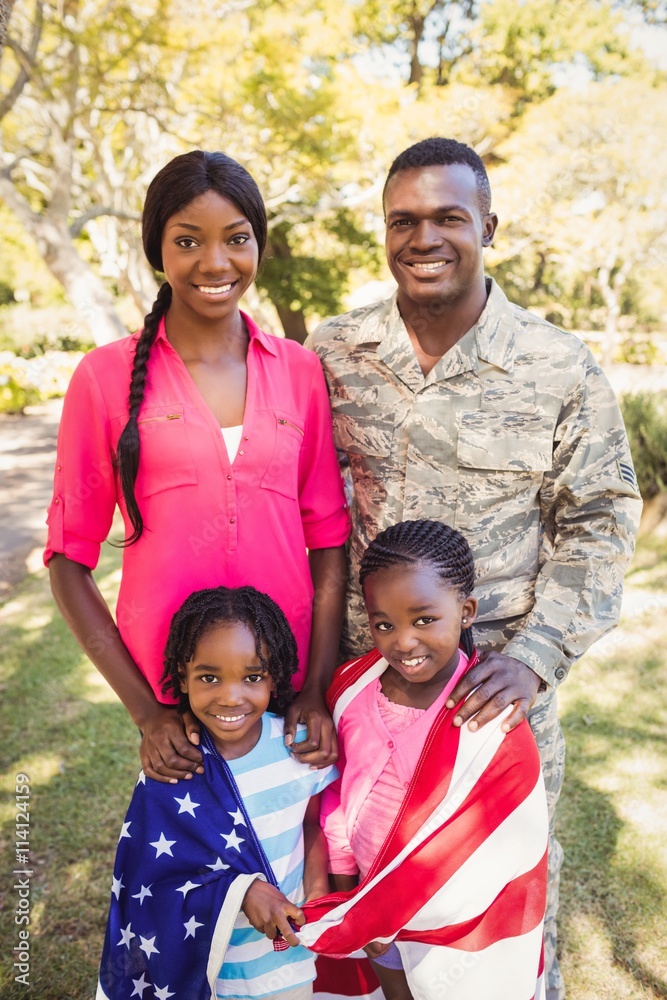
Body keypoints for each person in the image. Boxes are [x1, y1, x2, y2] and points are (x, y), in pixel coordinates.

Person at [306, 137, 643, 1000]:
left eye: (448, 218)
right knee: (360, 915)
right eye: (403, 221)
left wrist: (533, 657)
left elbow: (601, 521)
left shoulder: (555, 364)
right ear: (383, 234)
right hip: (364, 703)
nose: (425, 237)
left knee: (496, 931)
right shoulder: (334, 355)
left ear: (487, 224)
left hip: (494, 705)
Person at [45, 150, 349, 783]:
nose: (215, 262)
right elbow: (69, 561)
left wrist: (315, 688)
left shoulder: (299, 371)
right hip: (175, 707)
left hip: (283, 694)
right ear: (159, 250)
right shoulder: (103, 379)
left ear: (258, 246)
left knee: (297, 869)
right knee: (193, 874)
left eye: (237, 239)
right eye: (188, 241)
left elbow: (326, 540)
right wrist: (147, 712)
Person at [298, 520, 548, 1000]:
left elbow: (507, 842)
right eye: (384, 625)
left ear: (466, 611)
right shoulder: (353, 690)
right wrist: (348, 879)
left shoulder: (489, 717)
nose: (403, 642)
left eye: (424, 620)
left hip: (451, 922)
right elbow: (338, 788)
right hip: (372, 902)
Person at [98, 585, 338, 1000]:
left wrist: (317, 892)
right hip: (204, 970)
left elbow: (313, 824)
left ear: (275, 676)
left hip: (286, 964)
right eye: (209, 677)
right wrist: (242, 891)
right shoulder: (172, 766)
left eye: (252, 677)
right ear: (182, 676)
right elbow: (151, 885)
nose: (231, 696)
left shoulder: (297, 749)